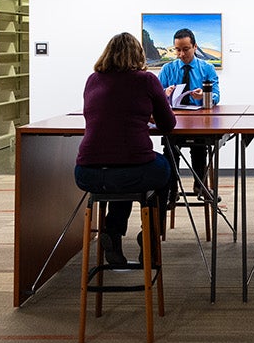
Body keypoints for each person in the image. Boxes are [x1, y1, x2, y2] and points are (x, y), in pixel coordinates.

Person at [74, 32, 176, 267]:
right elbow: (167, 125)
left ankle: (112, 232)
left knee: (121, 176)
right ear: (138, 54)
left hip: (87, 173)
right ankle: (150, 235)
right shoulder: (146, 80)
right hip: (132, 169)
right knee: (162, 169)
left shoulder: (93, 79)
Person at [157, 28, 220, 199]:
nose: (181, 54)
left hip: (198, 119)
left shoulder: (207, 68)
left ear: (194, 47)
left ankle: (200, 186)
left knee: (199, 147)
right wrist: (164, 94)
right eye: (177, 49)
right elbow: (155, 98)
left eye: (186, 49)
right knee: (169, 149)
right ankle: (171, 189)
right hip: (173, 120)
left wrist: (204, 96)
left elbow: (216, 95)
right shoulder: (167, 69)